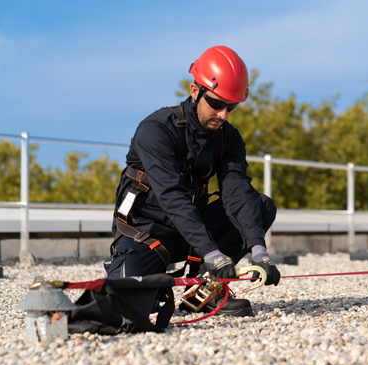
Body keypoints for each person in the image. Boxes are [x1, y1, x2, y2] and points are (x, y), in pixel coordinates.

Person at [106, 45, 280, 318]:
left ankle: (206, 291)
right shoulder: (155, 130)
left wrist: (259, 249)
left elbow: (238, 193)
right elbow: (172, 196)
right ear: (195, 91)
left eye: (231, 107)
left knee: (260, 205)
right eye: (217, 104)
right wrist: (212, 253)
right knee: (135, 307)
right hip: (147, 232)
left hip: (193, 228)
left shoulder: (228, 138)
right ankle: (134, 274)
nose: (223, 114)